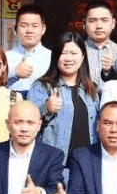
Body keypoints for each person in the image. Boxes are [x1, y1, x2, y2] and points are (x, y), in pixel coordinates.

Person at [28, 31, 99, 164]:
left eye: (73, 53)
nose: (68, 58)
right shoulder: (42, 87)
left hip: (87, 165)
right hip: (54, 165)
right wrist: (46, 108)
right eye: (63, 53)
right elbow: (27, 123)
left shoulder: (92, 89)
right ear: (56, 56)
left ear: (82, 56)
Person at [5, 3, 51, 95]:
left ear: (43, 29)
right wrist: (14, 74)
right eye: (24, 25)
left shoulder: (52, 57)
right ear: (16, 29)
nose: (29, 31)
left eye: (35, 26)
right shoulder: (5, 58)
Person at [82, 0, 117, 87]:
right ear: (84, 24)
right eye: (92, 20)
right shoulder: (77, 51)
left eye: (104, 20)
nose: (99, 26)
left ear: (113, 23)